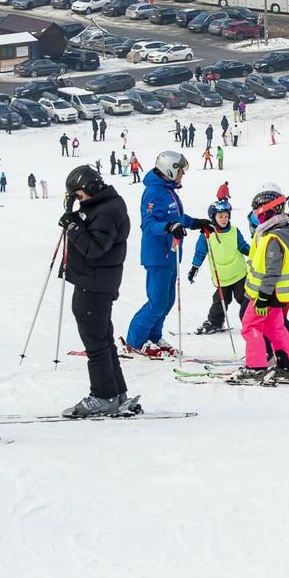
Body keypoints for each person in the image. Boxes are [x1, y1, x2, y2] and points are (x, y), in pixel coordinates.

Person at [59, 166, 135, 417]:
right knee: (103, 339)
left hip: (94, 284)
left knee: (96, 343)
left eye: (80, 195)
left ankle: (103, 395)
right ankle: (116, 391)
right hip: (96, 281)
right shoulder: (105, 206)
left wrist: (73, 227)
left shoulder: (107, 210)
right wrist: (75, 216)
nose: (79, 200)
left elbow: (94, 248)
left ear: (91, 188)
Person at [124, 151, 212, 355]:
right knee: (157, 302)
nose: (183, 174)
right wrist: (169, 227)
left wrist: (193, 223)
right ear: (169, 170)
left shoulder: (168, 190)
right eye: (180, 170)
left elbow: (176, 216)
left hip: (171, 255)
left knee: (168, 301)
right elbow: (148, 224)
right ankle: (135, 340)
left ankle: (154, 336)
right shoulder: (154, 192)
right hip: (158, 256)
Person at [229, 187, 289, 384]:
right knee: (274, 328)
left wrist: (261, 298)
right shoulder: (278, 232)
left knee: (250, 326)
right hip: (274, 295)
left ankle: (256, 367)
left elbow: (271, 271)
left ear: (265, 211)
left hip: (266, 295)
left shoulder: (272, 238)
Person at [188, 200, 250, 334]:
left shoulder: (234, 231)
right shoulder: (207, 234)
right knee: (220, 301)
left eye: (226, 216)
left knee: (244, 298)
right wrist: (194, 267)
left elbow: (243, 246)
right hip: (221, 276)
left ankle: (252, 319)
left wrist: (254, 254)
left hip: (239, 273)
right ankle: (215, 322)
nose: (223, 219)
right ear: (213, 217)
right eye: (220, 216)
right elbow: (200, 253)